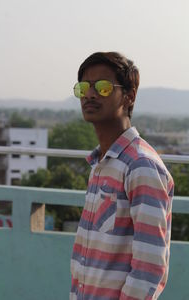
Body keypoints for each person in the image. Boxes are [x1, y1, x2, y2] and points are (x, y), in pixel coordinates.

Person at [70, 52, 174, 300]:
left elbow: (149, 268)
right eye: (84, 87)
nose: (90, 94)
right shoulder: (101, 164)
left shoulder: (141, 166)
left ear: (129, 96)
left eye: (103, 88)